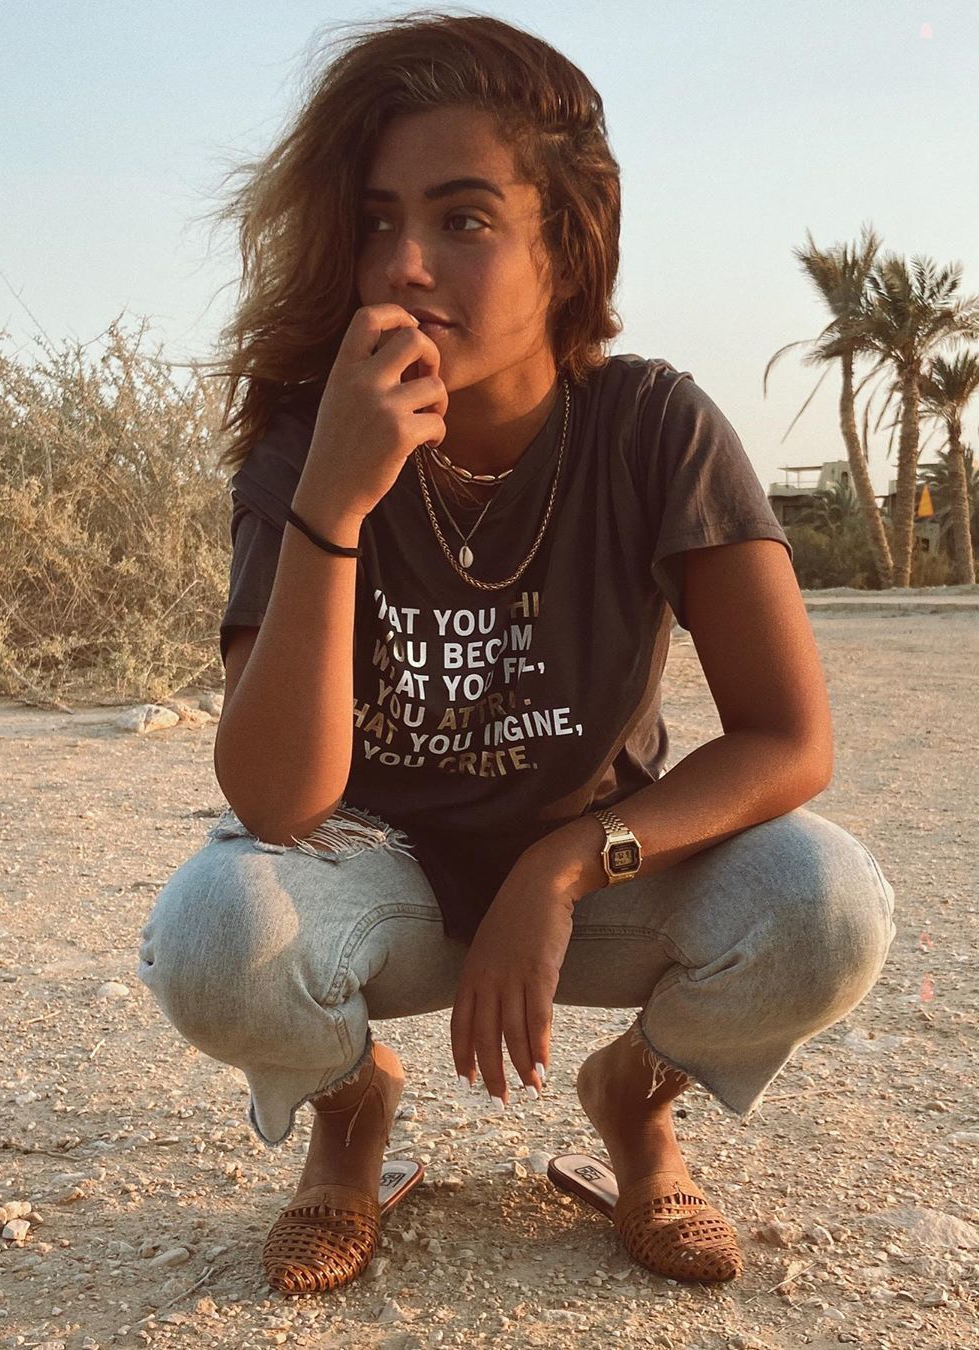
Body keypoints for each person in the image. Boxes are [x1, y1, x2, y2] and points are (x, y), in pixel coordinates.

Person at [137, 12, 896, 1294]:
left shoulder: (652, 426)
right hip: (379, 877)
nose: (405, 264)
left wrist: (562, 867)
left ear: (568, 243)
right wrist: (334, 502)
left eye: (465, 219)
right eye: (376, 220)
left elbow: (788, 739)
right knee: (216, 935)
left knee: (827, 907)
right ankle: (350, 1116)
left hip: (597, 879)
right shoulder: (309, 443)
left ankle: (636, 1107)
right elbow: (276, 802)